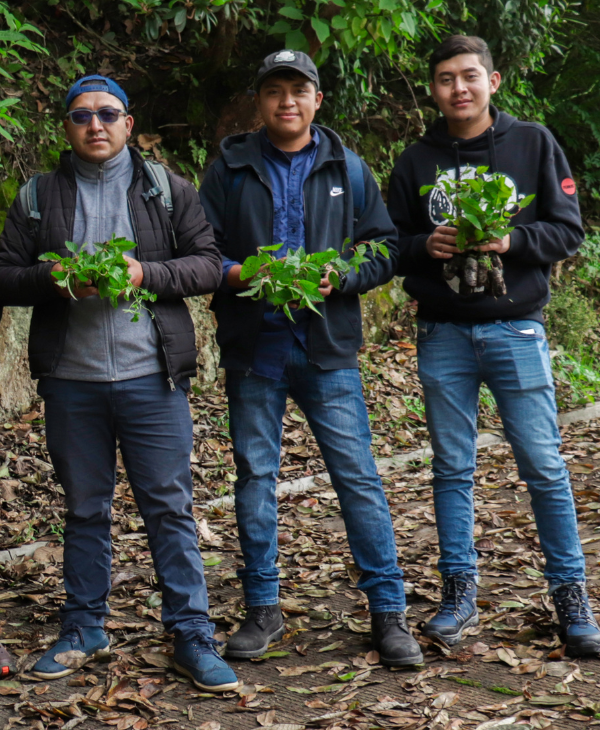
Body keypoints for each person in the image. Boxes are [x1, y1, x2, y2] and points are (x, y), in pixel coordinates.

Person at [0, 75, 239, 690]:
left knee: (170, 508)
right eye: (81, 116)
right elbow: (4, 274)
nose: (95, 125)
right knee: (84, 509)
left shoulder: (165, 189)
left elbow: (209, 264)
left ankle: (190, 633)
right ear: (67, 127)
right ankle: (83, 627)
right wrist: (51, 280)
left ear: (129, 124)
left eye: (108, 113)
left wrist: (147, 273)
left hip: (151, 378)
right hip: (71, 381)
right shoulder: (38, 194)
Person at [199, 50, 423, 667]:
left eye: (299, 90)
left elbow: (383, 247)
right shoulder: (229, 167)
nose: (287, 101)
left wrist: (342, 276)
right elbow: (199, 251)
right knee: (255, 480)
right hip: (254, 347)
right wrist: (239, 273)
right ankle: (262, 610)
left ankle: (389, 613)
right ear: (260, 102)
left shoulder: (346, 166)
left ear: (317, 99)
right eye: (274, 90)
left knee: (357, 477)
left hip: (327, 349)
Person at [388, 35, 600, 656]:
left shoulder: (531, 141)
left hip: (516, 329)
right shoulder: (415, 160)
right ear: (433, 88)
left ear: (494, 80)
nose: (459, 87)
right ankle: (459, 593)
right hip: (443, 332)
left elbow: (567, 230)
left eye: (470, 76)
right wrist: (426, 247)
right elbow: (388, 243)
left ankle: (572, 596)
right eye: (446, 78)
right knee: (452, 467)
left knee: (543, 465)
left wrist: (510, 242)